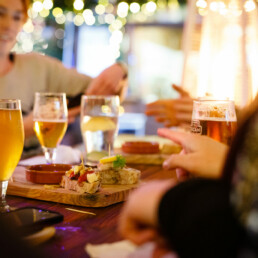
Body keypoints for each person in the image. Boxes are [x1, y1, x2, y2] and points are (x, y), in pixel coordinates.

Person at [0, 0, 128, 141]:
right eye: (0, 14)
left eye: (17, 17)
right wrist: (24, 128)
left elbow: (107, 92)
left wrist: (119, 70)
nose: (9, 26)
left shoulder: (37, 66)